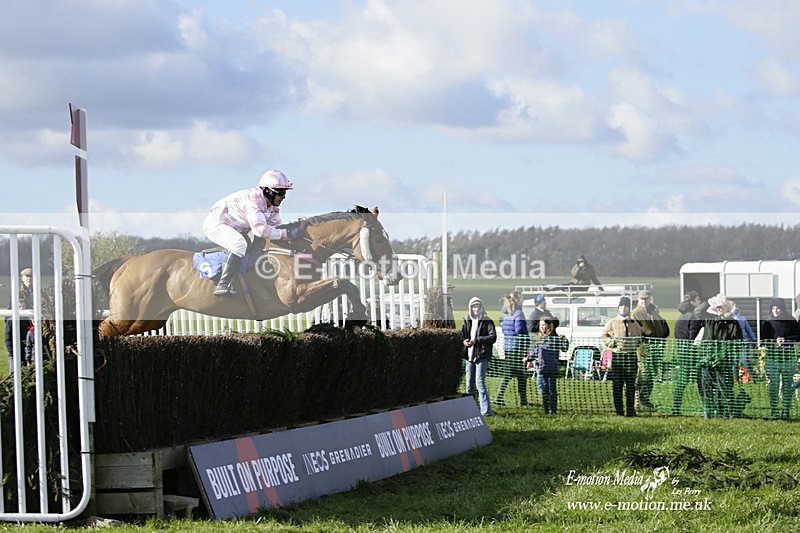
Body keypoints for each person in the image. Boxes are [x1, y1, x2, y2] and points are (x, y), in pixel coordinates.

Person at [202, 169, 299, 296]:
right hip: (215, 224)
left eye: (285, 192)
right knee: (239, 243)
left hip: (236, 227)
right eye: (281, 192)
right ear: (268, 191)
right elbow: (260, 230)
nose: (284, 196)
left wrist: (291, 233)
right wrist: (287, 234)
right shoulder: (255, 200)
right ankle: (223, 284)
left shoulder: (272, 206)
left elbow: (277, 227)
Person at [694, 294, 742, 418]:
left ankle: (725, 413)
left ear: (727, 308)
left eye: (721, 306)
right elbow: (697, 312)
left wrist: (724, 357)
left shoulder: (733, 324)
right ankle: (708, 413)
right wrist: (708, 301)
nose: (719, 309)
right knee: (707, 387)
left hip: (723, 362)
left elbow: (737, 343)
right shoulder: (710, 320)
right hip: (707, 359)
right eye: (717, 307)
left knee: (724, 388)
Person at [602, 296, 643, 417]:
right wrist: (612, 343)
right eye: (622, 306)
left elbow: (640, 337)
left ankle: (631, 410)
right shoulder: (612, 322)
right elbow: (604, 336)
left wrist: (636, 343)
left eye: (626, 306)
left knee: (631, 384)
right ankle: (619, 410)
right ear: (618, 307)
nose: (624, 308)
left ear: (629, 308)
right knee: (617, 385)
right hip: (618, 356)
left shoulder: (634, 323)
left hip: (630, 356)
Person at [761, 297, 800, 419]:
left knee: (787, 386)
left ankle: (786, 411)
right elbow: (763, 340)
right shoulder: (767, 323)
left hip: (788, 359)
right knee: (773, 386)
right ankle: (774, 411)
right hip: (773, 359)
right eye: (773, 308)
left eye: (778, 308)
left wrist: (786, 340)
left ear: (782, 309)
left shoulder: (791, 321)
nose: (776, 310)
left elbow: (798, 336)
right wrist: (774, 341)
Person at [630, 290, 669, 409]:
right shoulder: (636, 313)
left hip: (656, 346)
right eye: (642, 299)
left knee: (652, 373)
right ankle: (638, 399)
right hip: (644, 347)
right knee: (644, 373)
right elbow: (634, 331)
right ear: (638, 300)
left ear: (650, 299)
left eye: (646, 299)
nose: (644, 301)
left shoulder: (654, 310)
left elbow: (661, 325)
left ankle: (645, 398)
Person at [461, 297, 497, 416]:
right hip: (469, 356)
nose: (476, 309)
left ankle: (486, 411)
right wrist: (464, 342)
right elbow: (462, 336)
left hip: (481, 355)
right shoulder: (466, 320)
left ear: (481, 307)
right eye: (474, 306)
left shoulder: (487, 321)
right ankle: (471, 410)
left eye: (478, 306)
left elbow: (493, 337)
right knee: (469, 386)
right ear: (470, 308)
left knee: (479, 383)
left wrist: (477, 340)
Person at [494, 292, 530, 407]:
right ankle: (500, 397)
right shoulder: (518, 313)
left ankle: (522, 401)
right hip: (517, 348)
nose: (523, 300)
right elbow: (520, 330)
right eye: (522, 298)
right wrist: (526, 340)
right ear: (518, 300)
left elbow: (505, 329)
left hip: (508, 347)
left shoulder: (507, 313)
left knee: (517, 375)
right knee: (516, 375)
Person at [528, 316, 569, 414]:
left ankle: (553, 410)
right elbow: (536, 351)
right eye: (540, 324)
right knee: (544, 390)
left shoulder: (555, 338)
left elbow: (564, 349)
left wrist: (565, 340)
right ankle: (546, 410)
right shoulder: (539, 337)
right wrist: (528, 358)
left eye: (544, 324)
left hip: (552, 368)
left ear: (549, 326)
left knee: (552, 390)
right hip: (542, 368)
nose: (541, 327)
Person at [672, 291, 702, 415]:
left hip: (682, 351)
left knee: (682, 381)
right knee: (702, 380)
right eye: (698, 299)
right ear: (692, 302)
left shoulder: (681, 316)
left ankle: (676, 406)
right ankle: (707, 407)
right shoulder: (693, 316)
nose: (699, 302)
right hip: (691, 353)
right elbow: (693, 337)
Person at [5, 267, 34, 373]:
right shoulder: (17, 294)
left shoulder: (39, 292)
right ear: (22, 278)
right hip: (21, 329)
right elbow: (9, 314)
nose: (29, 278)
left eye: (31, 276)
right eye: (26, 276)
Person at [730, 300, 757, 378]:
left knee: (745, 359)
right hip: (734, 343)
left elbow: (748, 329)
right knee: (734, 361)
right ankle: (734, 378)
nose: (735, 307)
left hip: (744, 342)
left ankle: (752, 377)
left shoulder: (742, 318)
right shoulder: (731, 318)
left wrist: (754, 339)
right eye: (733, 306)